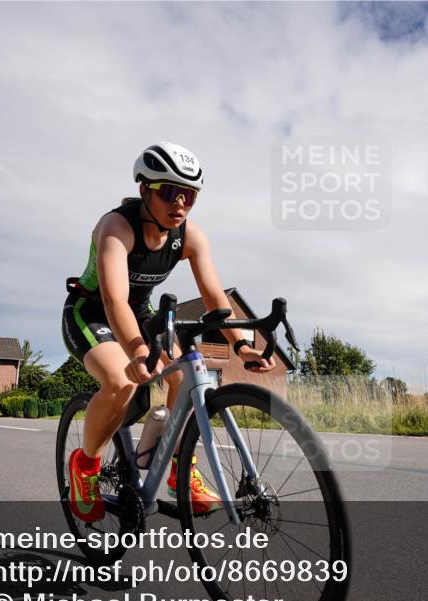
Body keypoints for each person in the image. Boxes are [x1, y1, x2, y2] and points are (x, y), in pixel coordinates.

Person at [61, 141, 275, 522]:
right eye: (171, 193)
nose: (181, 205)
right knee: (121, 382)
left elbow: (214, 298)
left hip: (141, 313)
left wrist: (241, 346)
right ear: (145, 189)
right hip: (91, 312)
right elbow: (113, 301)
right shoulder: (117, 227)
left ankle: (179, 469)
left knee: (184, 376)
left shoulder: (190, 236)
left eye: (189, 196)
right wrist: (139, 350)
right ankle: (85, 466)